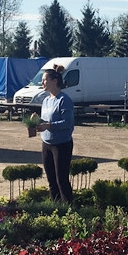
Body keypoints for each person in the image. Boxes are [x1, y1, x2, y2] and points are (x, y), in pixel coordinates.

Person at [35, 65, 74, 203]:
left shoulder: (64, 100)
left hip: (61, 145)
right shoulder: (46, 100)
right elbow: (46, 121)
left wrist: (49, 125)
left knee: (61, 179)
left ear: (54, 81)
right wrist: (37, 122)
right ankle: (56, 207)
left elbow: (67, 123)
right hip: (46, 144)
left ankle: (69, 209)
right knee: (51, 180)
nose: (42, 82)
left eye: (44, 80)